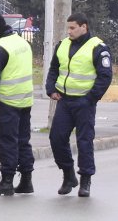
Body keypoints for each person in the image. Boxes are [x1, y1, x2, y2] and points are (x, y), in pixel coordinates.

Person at [46, 12, 112, 197]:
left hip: (84, 102)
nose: (69, 31)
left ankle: (85, 180)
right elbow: (54, 69)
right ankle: (68, 174)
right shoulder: (62, 45)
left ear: (84, 27)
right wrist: (51, 89)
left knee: (84, 142)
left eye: (73, 28)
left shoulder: (98, 47)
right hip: (65, 101)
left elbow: (105, 76)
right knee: (56, 138)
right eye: (68, 28)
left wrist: (91, 98)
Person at [0, 11, 35, 196]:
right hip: (26, 100)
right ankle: (27, 180)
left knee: (7, 141)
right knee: (23, 140)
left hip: (9, 100)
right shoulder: (21, 42)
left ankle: (7, 181)